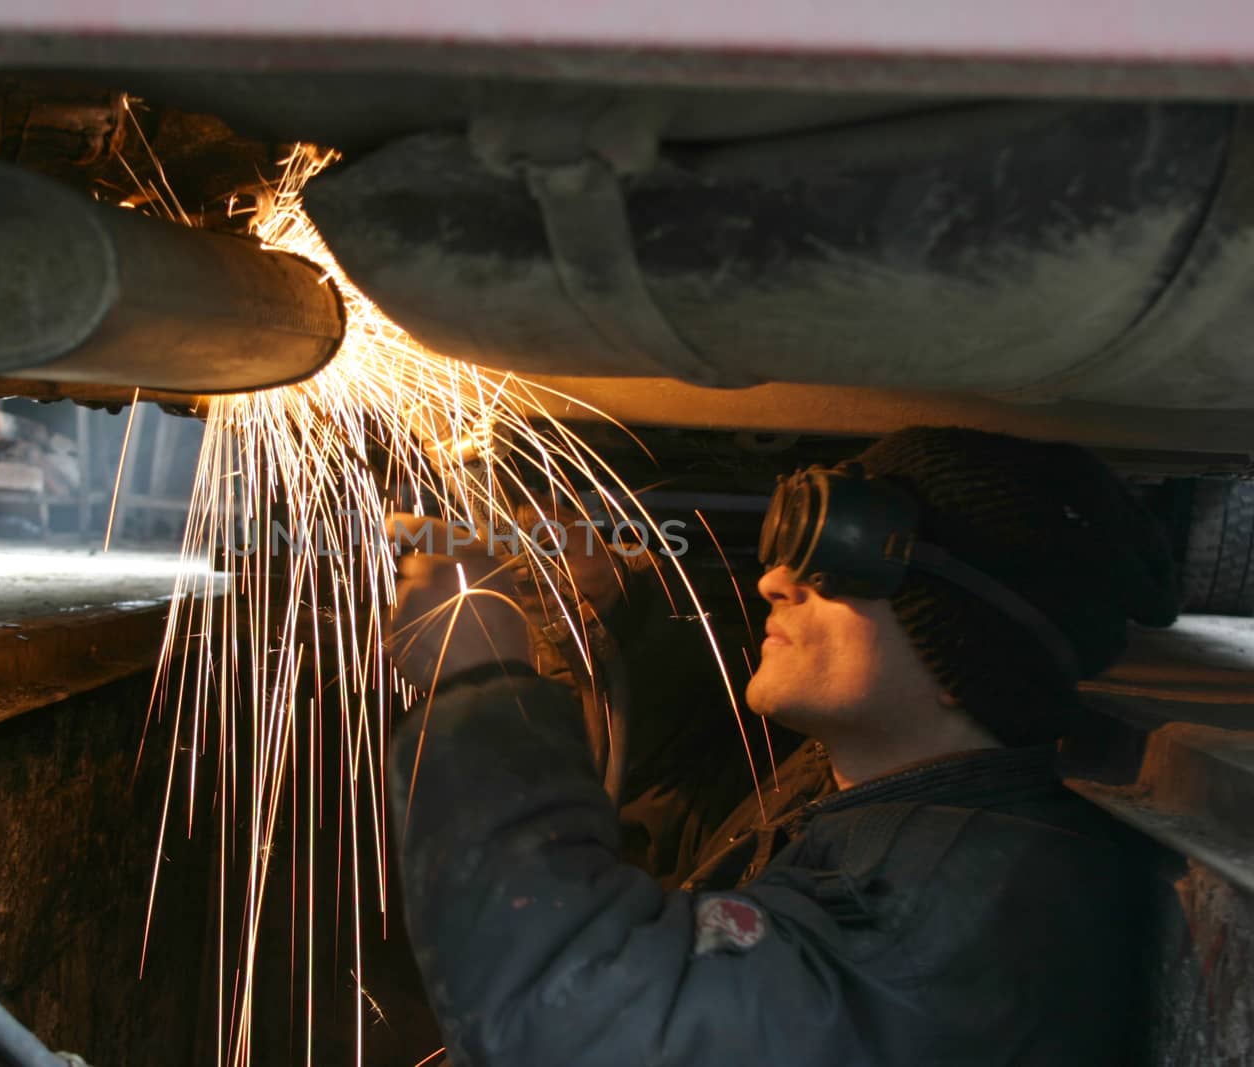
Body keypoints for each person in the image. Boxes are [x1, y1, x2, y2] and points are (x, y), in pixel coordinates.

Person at [384, 426, 1179, 1067]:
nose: (774, 579)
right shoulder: (864, 791)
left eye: (842, 553)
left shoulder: (973, 913)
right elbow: (682, 797)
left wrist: (479, 688)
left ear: (973, 649)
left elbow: (565, 1020)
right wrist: (587, 619)